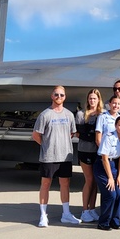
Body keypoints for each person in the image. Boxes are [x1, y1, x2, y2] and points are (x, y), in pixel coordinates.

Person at [31, 86, 81, 227]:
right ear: (52, 96)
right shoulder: (45, 115)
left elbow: (71, 133)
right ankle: (43, 215)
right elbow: (36, 135)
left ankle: (66, 214)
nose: (59, 97)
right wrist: (47, 145)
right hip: (49, 157)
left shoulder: (69, 115)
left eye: (62, 95)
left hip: (65, 157)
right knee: (45, 184)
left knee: (65, 184)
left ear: (65, 97)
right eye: (56, 94)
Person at [94, 114, 120, 230]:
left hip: (114, 166)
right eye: (119, 125)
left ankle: (115, 220)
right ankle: (103, 222)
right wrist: (110, 177)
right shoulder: (108, 137)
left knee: (119, 194)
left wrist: (119, 177)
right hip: (102, 166)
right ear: (115, 126)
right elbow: (104, 158)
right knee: (111, 194)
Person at [75, 88, 104, 223]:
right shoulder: (81, 114)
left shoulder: (102, 114)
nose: (92, 100)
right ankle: (84, 210)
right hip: (85, 150)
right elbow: (80, 133)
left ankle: (92, 209)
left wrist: (90, 133)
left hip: (97, 151)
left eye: (94, 98)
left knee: (95, 181)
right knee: (89, 180)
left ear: (98, 100)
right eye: (90, 98)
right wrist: (91, 134)